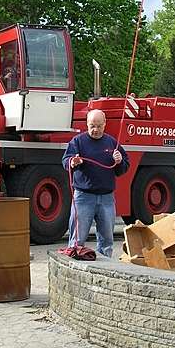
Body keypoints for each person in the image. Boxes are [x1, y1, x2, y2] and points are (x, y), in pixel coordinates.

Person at [62, 109, 129, 258]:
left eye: (99, 126)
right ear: (87, 124)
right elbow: (65, 161)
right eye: (92, 126)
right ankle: (75, 266)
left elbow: (123, 168)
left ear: (105, 124)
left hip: (106, 199)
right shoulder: (78, 141)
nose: (95, 130)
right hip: (83, 197)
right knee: (77, 241)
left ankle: (104, 269)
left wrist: (119, 161)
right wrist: (73, 162)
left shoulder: (112, 142)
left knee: (107, 241)